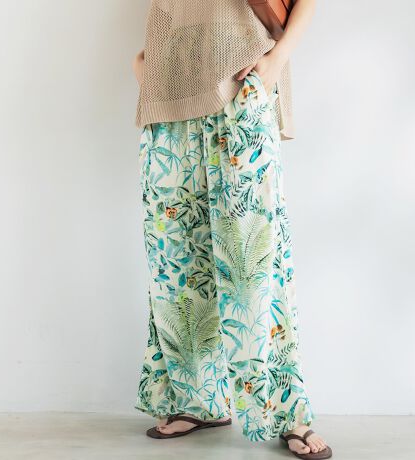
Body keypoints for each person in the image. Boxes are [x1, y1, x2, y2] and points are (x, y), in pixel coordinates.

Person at [132, 1, 332, 458]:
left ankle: (286, 413)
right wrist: (144, 70)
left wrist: (276, 60)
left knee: (253, 264)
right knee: (176, 267)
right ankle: (196, 400)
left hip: (240, 91)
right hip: (167, 103)